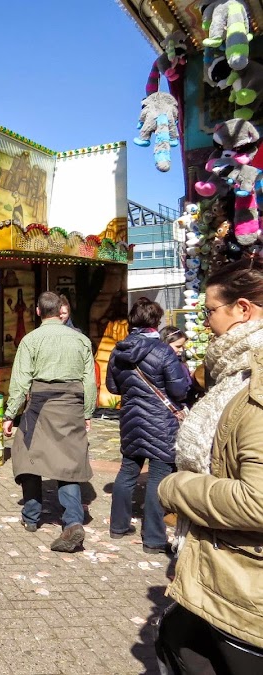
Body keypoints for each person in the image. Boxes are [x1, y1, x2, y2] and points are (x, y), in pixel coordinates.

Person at [155, 257, 263, 672]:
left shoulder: (253, 381)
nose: (206, 323)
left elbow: (257, 499)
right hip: (227, 572)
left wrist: (174, 487)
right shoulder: (233, 372)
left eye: (210, 311)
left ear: (242, 309)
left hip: (244, 590)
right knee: (177, 642)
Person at [2, 291, 97, 553]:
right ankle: (73, 520)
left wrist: (10, 414)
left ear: (38, 311)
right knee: (69, 462)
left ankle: (32, 516)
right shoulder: (81, 340)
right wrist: (87, 412)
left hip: (40, 405)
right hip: (71, 405)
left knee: (28, 455)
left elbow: (20, 382)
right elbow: (89, 381)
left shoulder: (30, 340)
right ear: (60, 310)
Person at [105, 298, 191, 554]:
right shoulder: (163, 351)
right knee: (157, 477)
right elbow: (179, 390)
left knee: (127, 471)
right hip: (160, 422)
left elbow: (112, 387)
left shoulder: (118, 351)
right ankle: (153, 539)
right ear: (156, 321)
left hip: (131, 419)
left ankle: (118, 526)